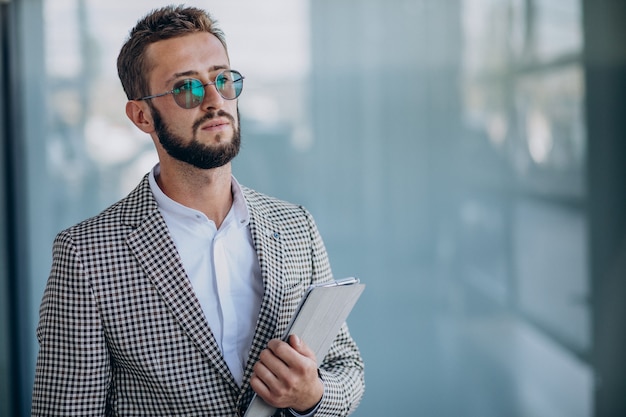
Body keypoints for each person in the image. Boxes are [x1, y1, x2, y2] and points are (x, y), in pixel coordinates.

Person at [31, 5, 364, 417]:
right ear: (141, 116)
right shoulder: (85, 255)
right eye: (186, 88)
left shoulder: (296, 226)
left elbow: (346, 368)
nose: (214, 100)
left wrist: (310, 395)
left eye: (223, 79)